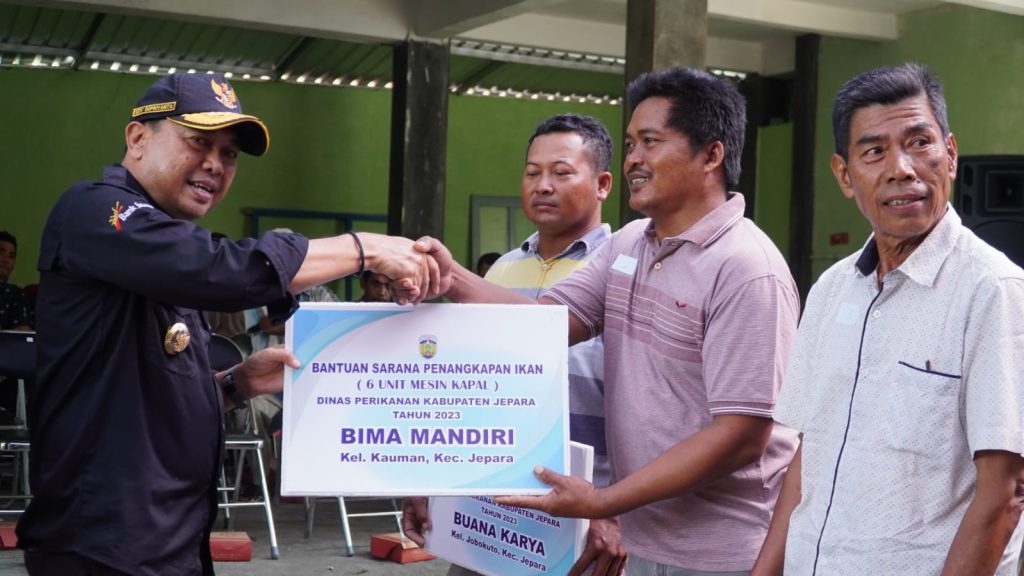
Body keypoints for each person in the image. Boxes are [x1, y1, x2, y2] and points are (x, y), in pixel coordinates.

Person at [18, 72, 446, 576]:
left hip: (169, 542)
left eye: (229, 153)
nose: (215, 164)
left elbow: (141, 389)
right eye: (198, 142)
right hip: (99, 545)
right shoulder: (95, 211)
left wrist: (234, 385)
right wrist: (364, 248)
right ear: (137, 138)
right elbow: (223, 271)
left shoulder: (165, 247)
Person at [410, 67, 801, 575]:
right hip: (644, 539)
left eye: (650, 142)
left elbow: (741, 435)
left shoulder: (747, 269)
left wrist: (603, 500)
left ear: (711, 155)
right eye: (631, 143)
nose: (633, 158)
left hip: (717, 552)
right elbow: (546, 325)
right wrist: (449, 276)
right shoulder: (630, 244)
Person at [751, 63, 1024, 576]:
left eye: (919, 143)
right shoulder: (831, 289)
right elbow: (809, 456)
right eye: (874, 151)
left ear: (950, 155)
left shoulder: (994, 292)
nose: (901, 168)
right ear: (844, 175)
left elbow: (1005, 494)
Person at [428, 113, 628, 576]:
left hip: (584, 515)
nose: (543, 186)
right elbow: (465, 388)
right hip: (490, 512)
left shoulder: (624, 270)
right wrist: (433, 487)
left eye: (561, 172)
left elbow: (644, 408)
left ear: (602, 185)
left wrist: (613, 508)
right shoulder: (499, 271)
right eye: (533, 172)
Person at [0, 230, 33, 331]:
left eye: (11, 256)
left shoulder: (16, 294)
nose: (7, 260)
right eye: (1, 253)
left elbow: (22, 334)